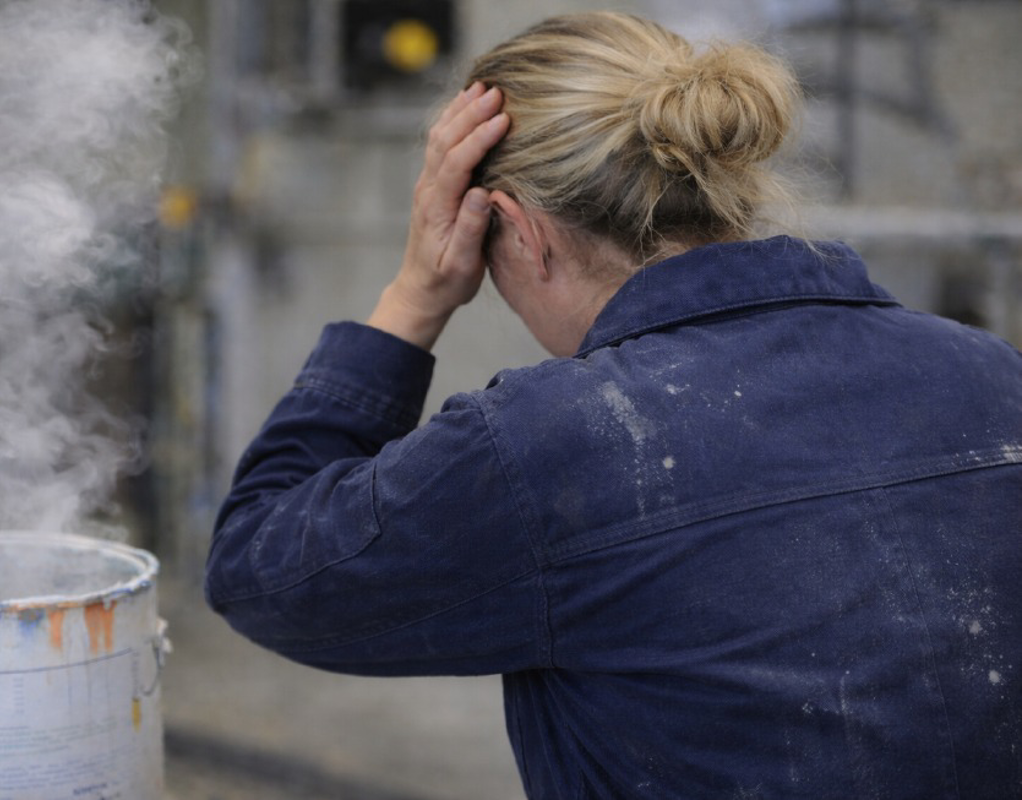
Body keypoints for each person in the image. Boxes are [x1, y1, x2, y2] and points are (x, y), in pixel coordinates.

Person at [206, 11, 1022, 798]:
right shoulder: (991, 375)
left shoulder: (550, 445)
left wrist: (414, 295)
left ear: (520, 233)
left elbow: (261, 567)